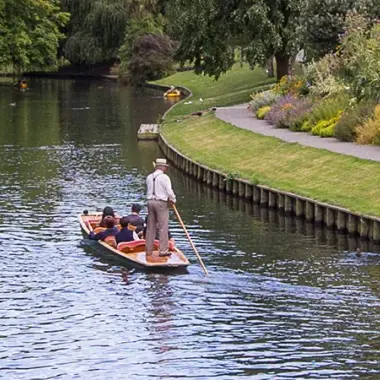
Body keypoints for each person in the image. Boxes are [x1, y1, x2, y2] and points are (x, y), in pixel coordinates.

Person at [145, 158, 176, 257]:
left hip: (150, 202)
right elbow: (169, 191)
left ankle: (148, 250)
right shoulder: (165, 177)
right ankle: (163, 251)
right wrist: (173, 200)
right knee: (163, 227)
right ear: (163, 167)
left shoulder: (149, 177)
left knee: (150, 227)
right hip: (161, 203)